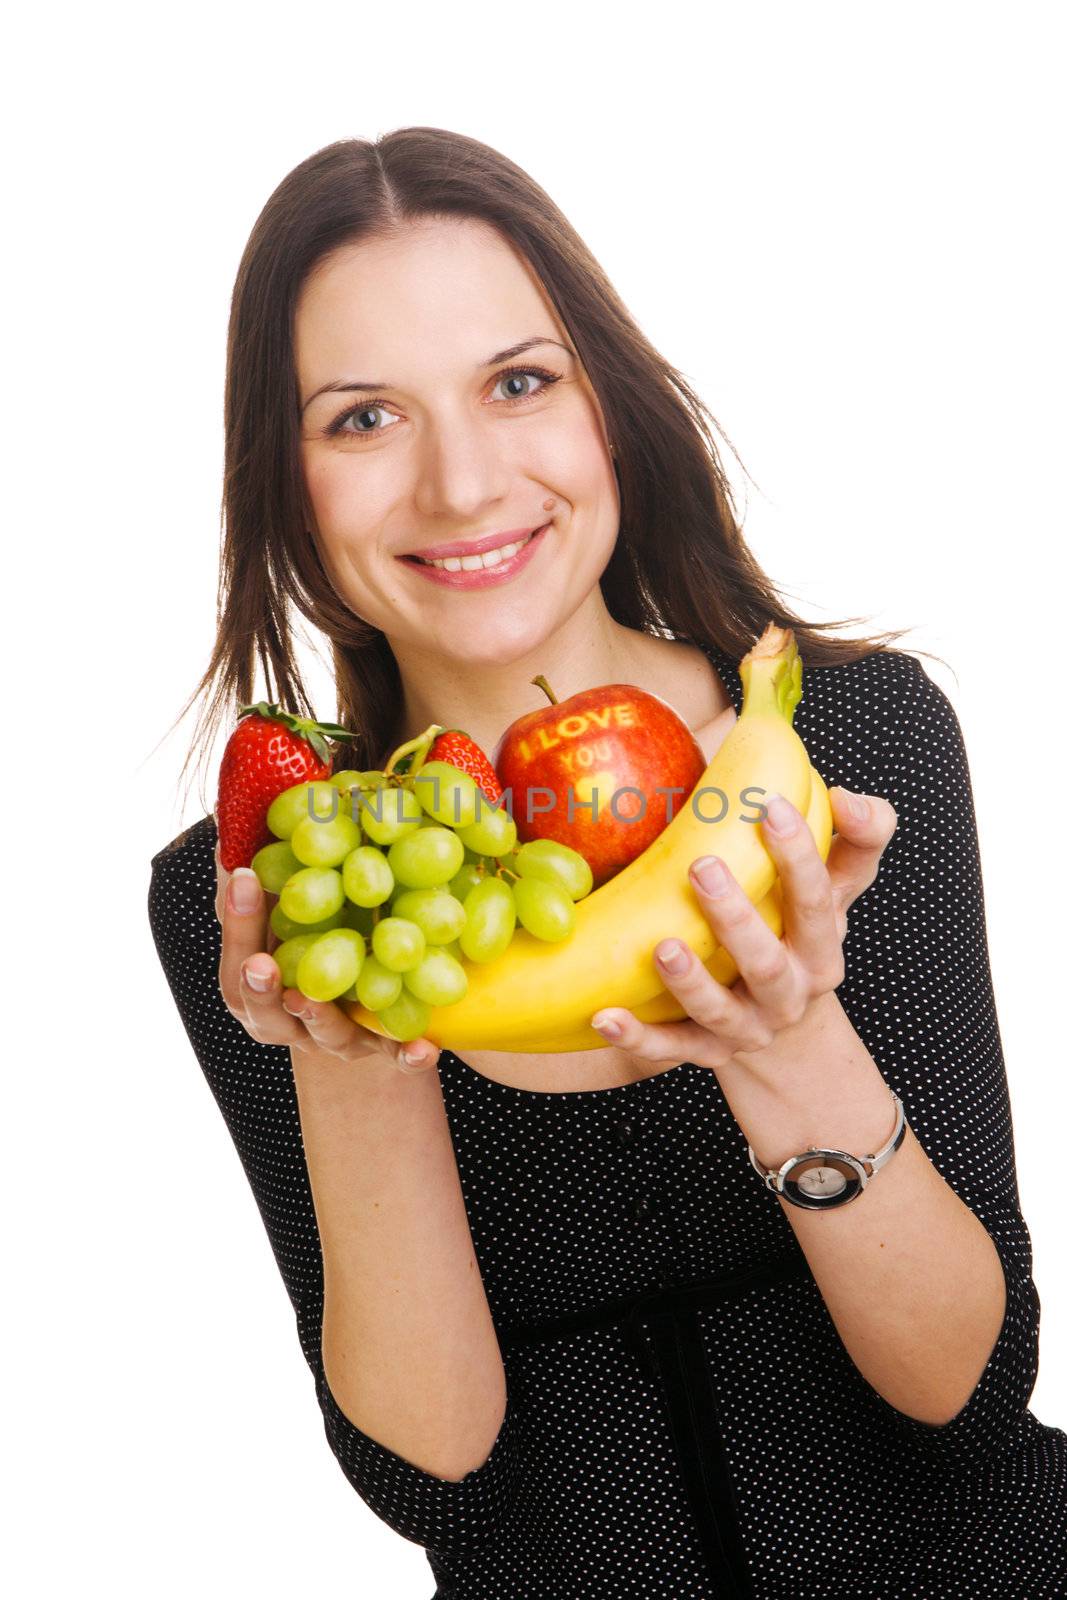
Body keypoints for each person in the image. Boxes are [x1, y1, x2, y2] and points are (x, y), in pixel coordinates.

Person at [147, 129, 1067, 1598]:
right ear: (286, 483)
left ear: (610, 416)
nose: (461, 483)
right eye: (364, 417)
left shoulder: (845, 743)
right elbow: (436, 1476)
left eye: (520, 383)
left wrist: (792, 1044)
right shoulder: (290, 883)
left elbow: (966, 1396)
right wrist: (352, 1069)